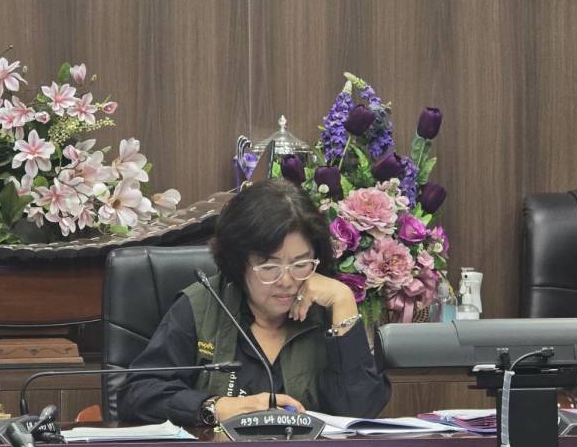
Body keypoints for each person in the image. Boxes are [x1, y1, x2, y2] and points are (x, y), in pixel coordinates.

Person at [117, 178, 391, 426]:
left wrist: (344, 300)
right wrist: (215, 407)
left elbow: (360, 413)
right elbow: (137, 394)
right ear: (239, 263)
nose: (287, 281)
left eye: (300, 264)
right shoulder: (202, 305)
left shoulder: (327, 310)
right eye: (269, 267)